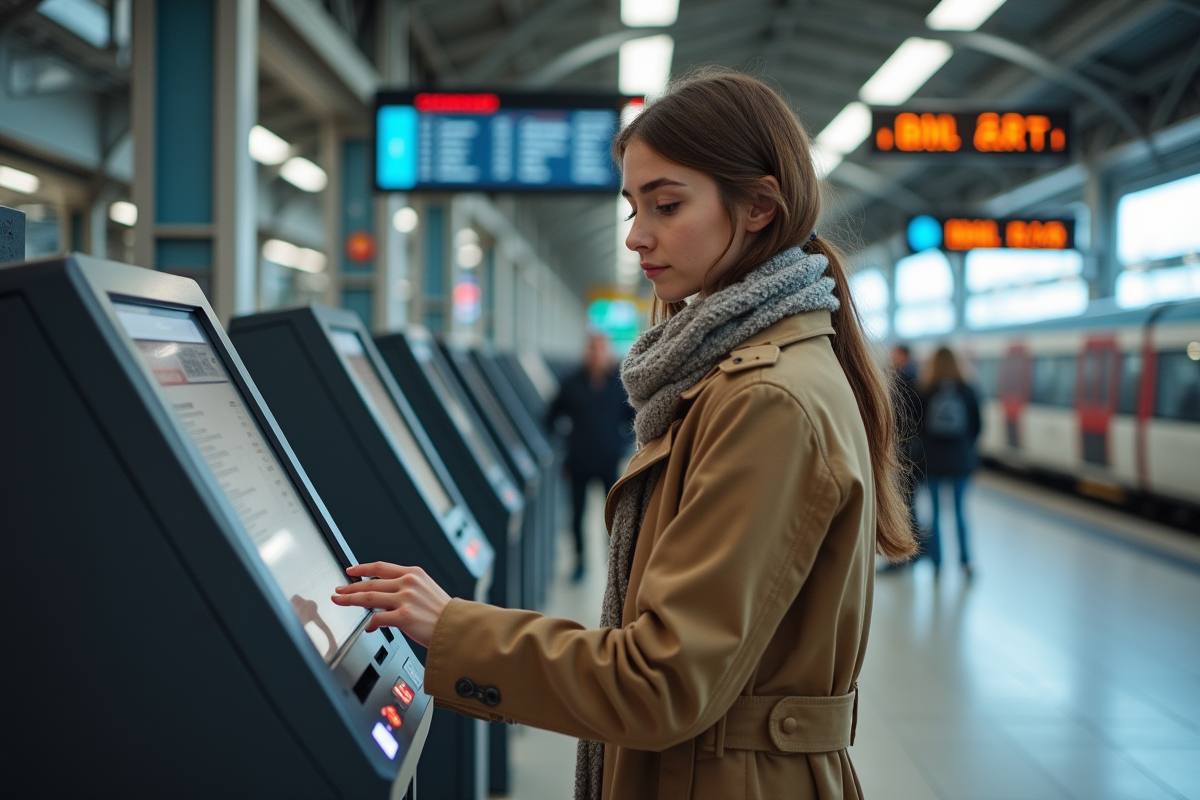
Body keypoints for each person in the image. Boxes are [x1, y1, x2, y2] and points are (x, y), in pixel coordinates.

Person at [330, 71, 917, 800]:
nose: (637, 236)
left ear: (760, 206)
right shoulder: (732, 378)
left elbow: (660, 682)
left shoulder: (767, 400)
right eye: (633, 206)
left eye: (666, 205)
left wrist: (454, 628)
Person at [548, 332, 636, 581]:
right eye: (592, 349)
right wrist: (566, 443)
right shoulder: (571, 383)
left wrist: (622, 446)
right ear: (586, 352)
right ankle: (579, 563)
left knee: (612, 517)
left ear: (606, 353)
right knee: (577, 515)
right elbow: (550, 416)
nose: (596, 354)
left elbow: (632, 419)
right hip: (578, 462)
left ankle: (613, 563)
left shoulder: (617, 385)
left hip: (608, 461)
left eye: (600, 349)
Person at [916, 347, 982, 579]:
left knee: (933, 514)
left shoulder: (925, 389)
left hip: (933, 461)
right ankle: (965, 562)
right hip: (960, 461)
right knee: (959, 512)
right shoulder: (968, 390)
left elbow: (917, 426)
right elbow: (976, 426)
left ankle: (937, 563)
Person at [880, 344, 922, 571]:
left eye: (895, 355)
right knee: (908, 503)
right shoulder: (915, 380)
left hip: (908, 454)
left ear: (904, 356)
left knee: (906, 504)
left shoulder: (907, 382)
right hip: (908, 452)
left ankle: (908, 553)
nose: (891, 358)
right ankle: (917, 551)